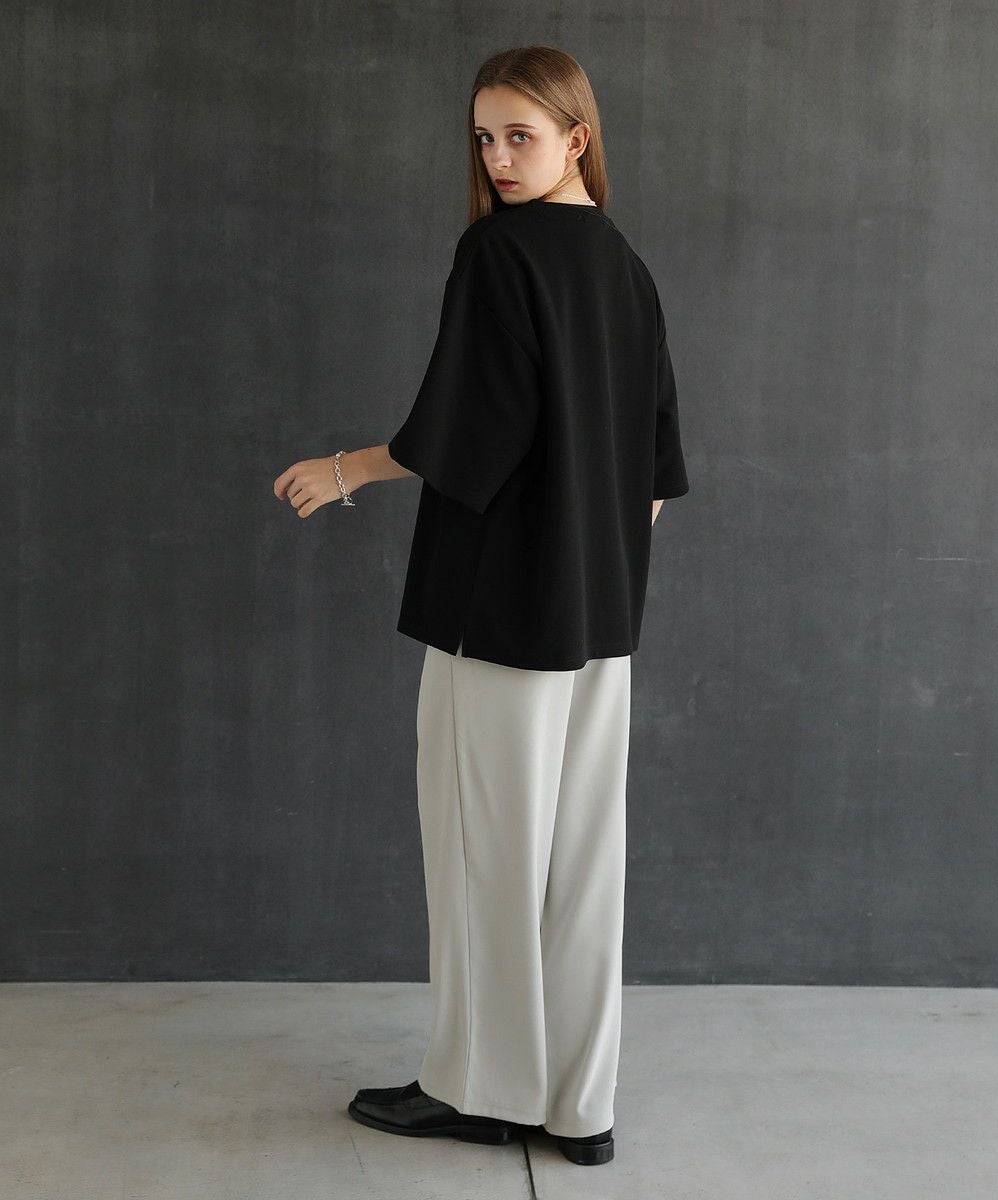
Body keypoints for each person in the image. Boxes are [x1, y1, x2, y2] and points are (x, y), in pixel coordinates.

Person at [273, 45, 689, 1167]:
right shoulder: (626, 267)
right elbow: (656, 474)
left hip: (500, 614)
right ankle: (581, 1107)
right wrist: (595, 561)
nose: (498, 158)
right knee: (583, 864)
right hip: (601, 624)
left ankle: (481, 1089)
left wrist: (344, 470)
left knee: (484, 857)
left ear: (575, 138)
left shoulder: (500, 252)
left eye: (520, 135)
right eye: (483, 137)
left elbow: (463, 433)